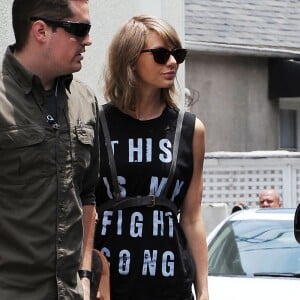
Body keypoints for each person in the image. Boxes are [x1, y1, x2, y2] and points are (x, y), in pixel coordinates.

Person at [94, 15, 209, 300]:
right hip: (110, 284)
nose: (172, 62)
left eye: (177, 54)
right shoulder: (97, 124)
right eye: (160, 54)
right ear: (130, 59)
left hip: (172, 284)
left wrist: (204, 291)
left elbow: (192, 218)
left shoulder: (190, 129)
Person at [0, 1, 99, 299]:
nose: (88, 40)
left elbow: (87, 195)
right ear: (41, 31)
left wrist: (84, 275)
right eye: (79, 30)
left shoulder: (85, 100)